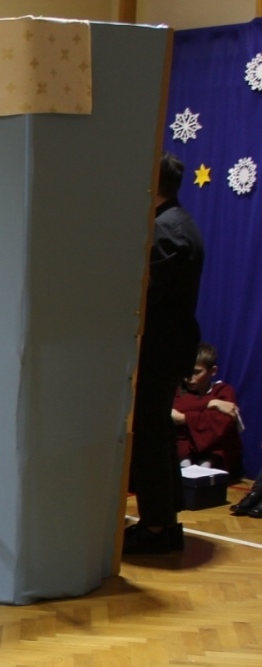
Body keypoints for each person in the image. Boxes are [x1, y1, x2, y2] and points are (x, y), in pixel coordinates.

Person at [125, 153, 204, 554]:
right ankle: (165, 521)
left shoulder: (165, 228)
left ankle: (156, 526)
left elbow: (148, 294)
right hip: (171, 345)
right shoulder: (180, 221)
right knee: (158, 431)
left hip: (158, 345)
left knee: (148, 433)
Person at [173, 343, 242, 478]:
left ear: (213, 371)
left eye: (196, 372)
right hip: (182, 450)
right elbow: (172, 409)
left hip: (212, 453)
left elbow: (222, 421)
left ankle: (204, 473)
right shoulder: (177, 389)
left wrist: (184, 418)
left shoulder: (223, 391)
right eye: (186, 371)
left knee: (216, 435)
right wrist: (210, 402)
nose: (189, 377)